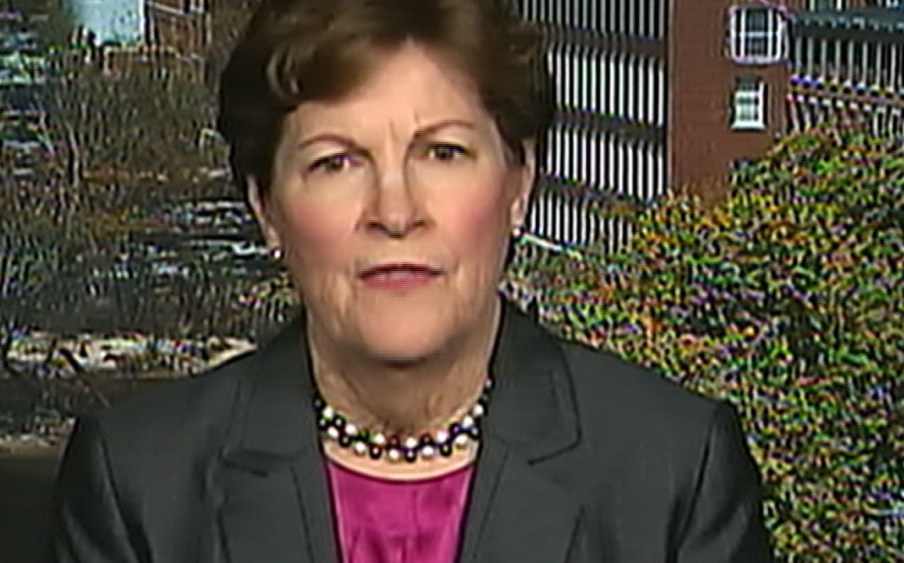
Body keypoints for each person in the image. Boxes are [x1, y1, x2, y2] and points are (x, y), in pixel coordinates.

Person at [47, 0, 773, 561]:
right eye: (336, 162)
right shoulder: (139, 484)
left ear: (519, 183)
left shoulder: (674, 471)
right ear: (266, 207)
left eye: (444, 153)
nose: (395, 212)